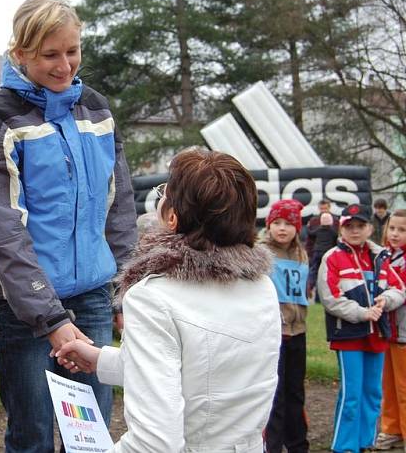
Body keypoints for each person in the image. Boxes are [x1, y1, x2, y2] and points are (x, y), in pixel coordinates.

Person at [0, 0, 137, 452]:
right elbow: (3, 233)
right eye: (50, 55)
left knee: (92, 437)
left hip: (94, 298)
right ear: (20, 53)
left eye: (72, 51)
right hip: (23, 312)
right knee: (33, 436)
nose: (65, 66)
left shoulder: (98, 110)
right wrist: (50, 318)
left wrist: (125, 290)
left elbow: (118, 211)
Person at [55, 148, 282, 452]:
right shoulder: (261, 286)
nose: (160, 196)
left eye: (165, 191)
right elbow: (205, 372)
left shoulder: (152, 298)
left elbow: (154, 443)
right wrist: (102, 360)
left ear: (172, 216)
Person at [317, 204, 405, 453]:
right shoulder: (332, 256)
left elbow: (399, 289)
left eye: (360, 226)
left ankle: (366, 442)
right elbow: (330, 297)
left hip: (377, 333)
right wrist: (362, 313)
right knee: (352, 395)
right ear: (341, 228)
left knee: (373, 393)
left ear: (370, 228)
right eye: (349, 226)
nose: (355, 231)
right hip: (348, 335)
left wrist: (385, 301)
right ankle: (344, 447)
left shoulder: (380, 256)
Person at [263, 199, 310, 453]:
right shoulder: (262, 252)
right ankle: (272, 446)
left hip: (298, 330)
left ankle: (298, 444)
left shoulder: (301, 254)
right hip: (274, 334)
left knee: (295, 393)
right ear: (269, 225)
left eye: (289, 224)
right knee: (275, 395)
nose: (282, 229)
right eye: (277, 223)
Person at [374, 209, 406, 451]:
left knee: (405, 387)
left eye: (402, 230)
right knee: (389, 386)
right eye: (392, 228)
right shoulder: (382, 256)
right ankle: (392, 428)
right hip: (387, 331)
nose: (395, 234)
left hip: (404, 331)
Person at [306, 199, 339, 300]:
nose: (324, 211)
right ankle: (310, 290)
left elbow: (311, 233)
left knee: (324, 274)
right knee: (316, 272)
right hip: (320, 252)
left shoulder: (336, 221)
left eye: (325, 208)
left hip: (326, 253)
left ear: (329, 207)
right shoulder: (314, 221)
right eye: (322, 209)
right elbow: (310, 239)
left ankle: (320, 296)